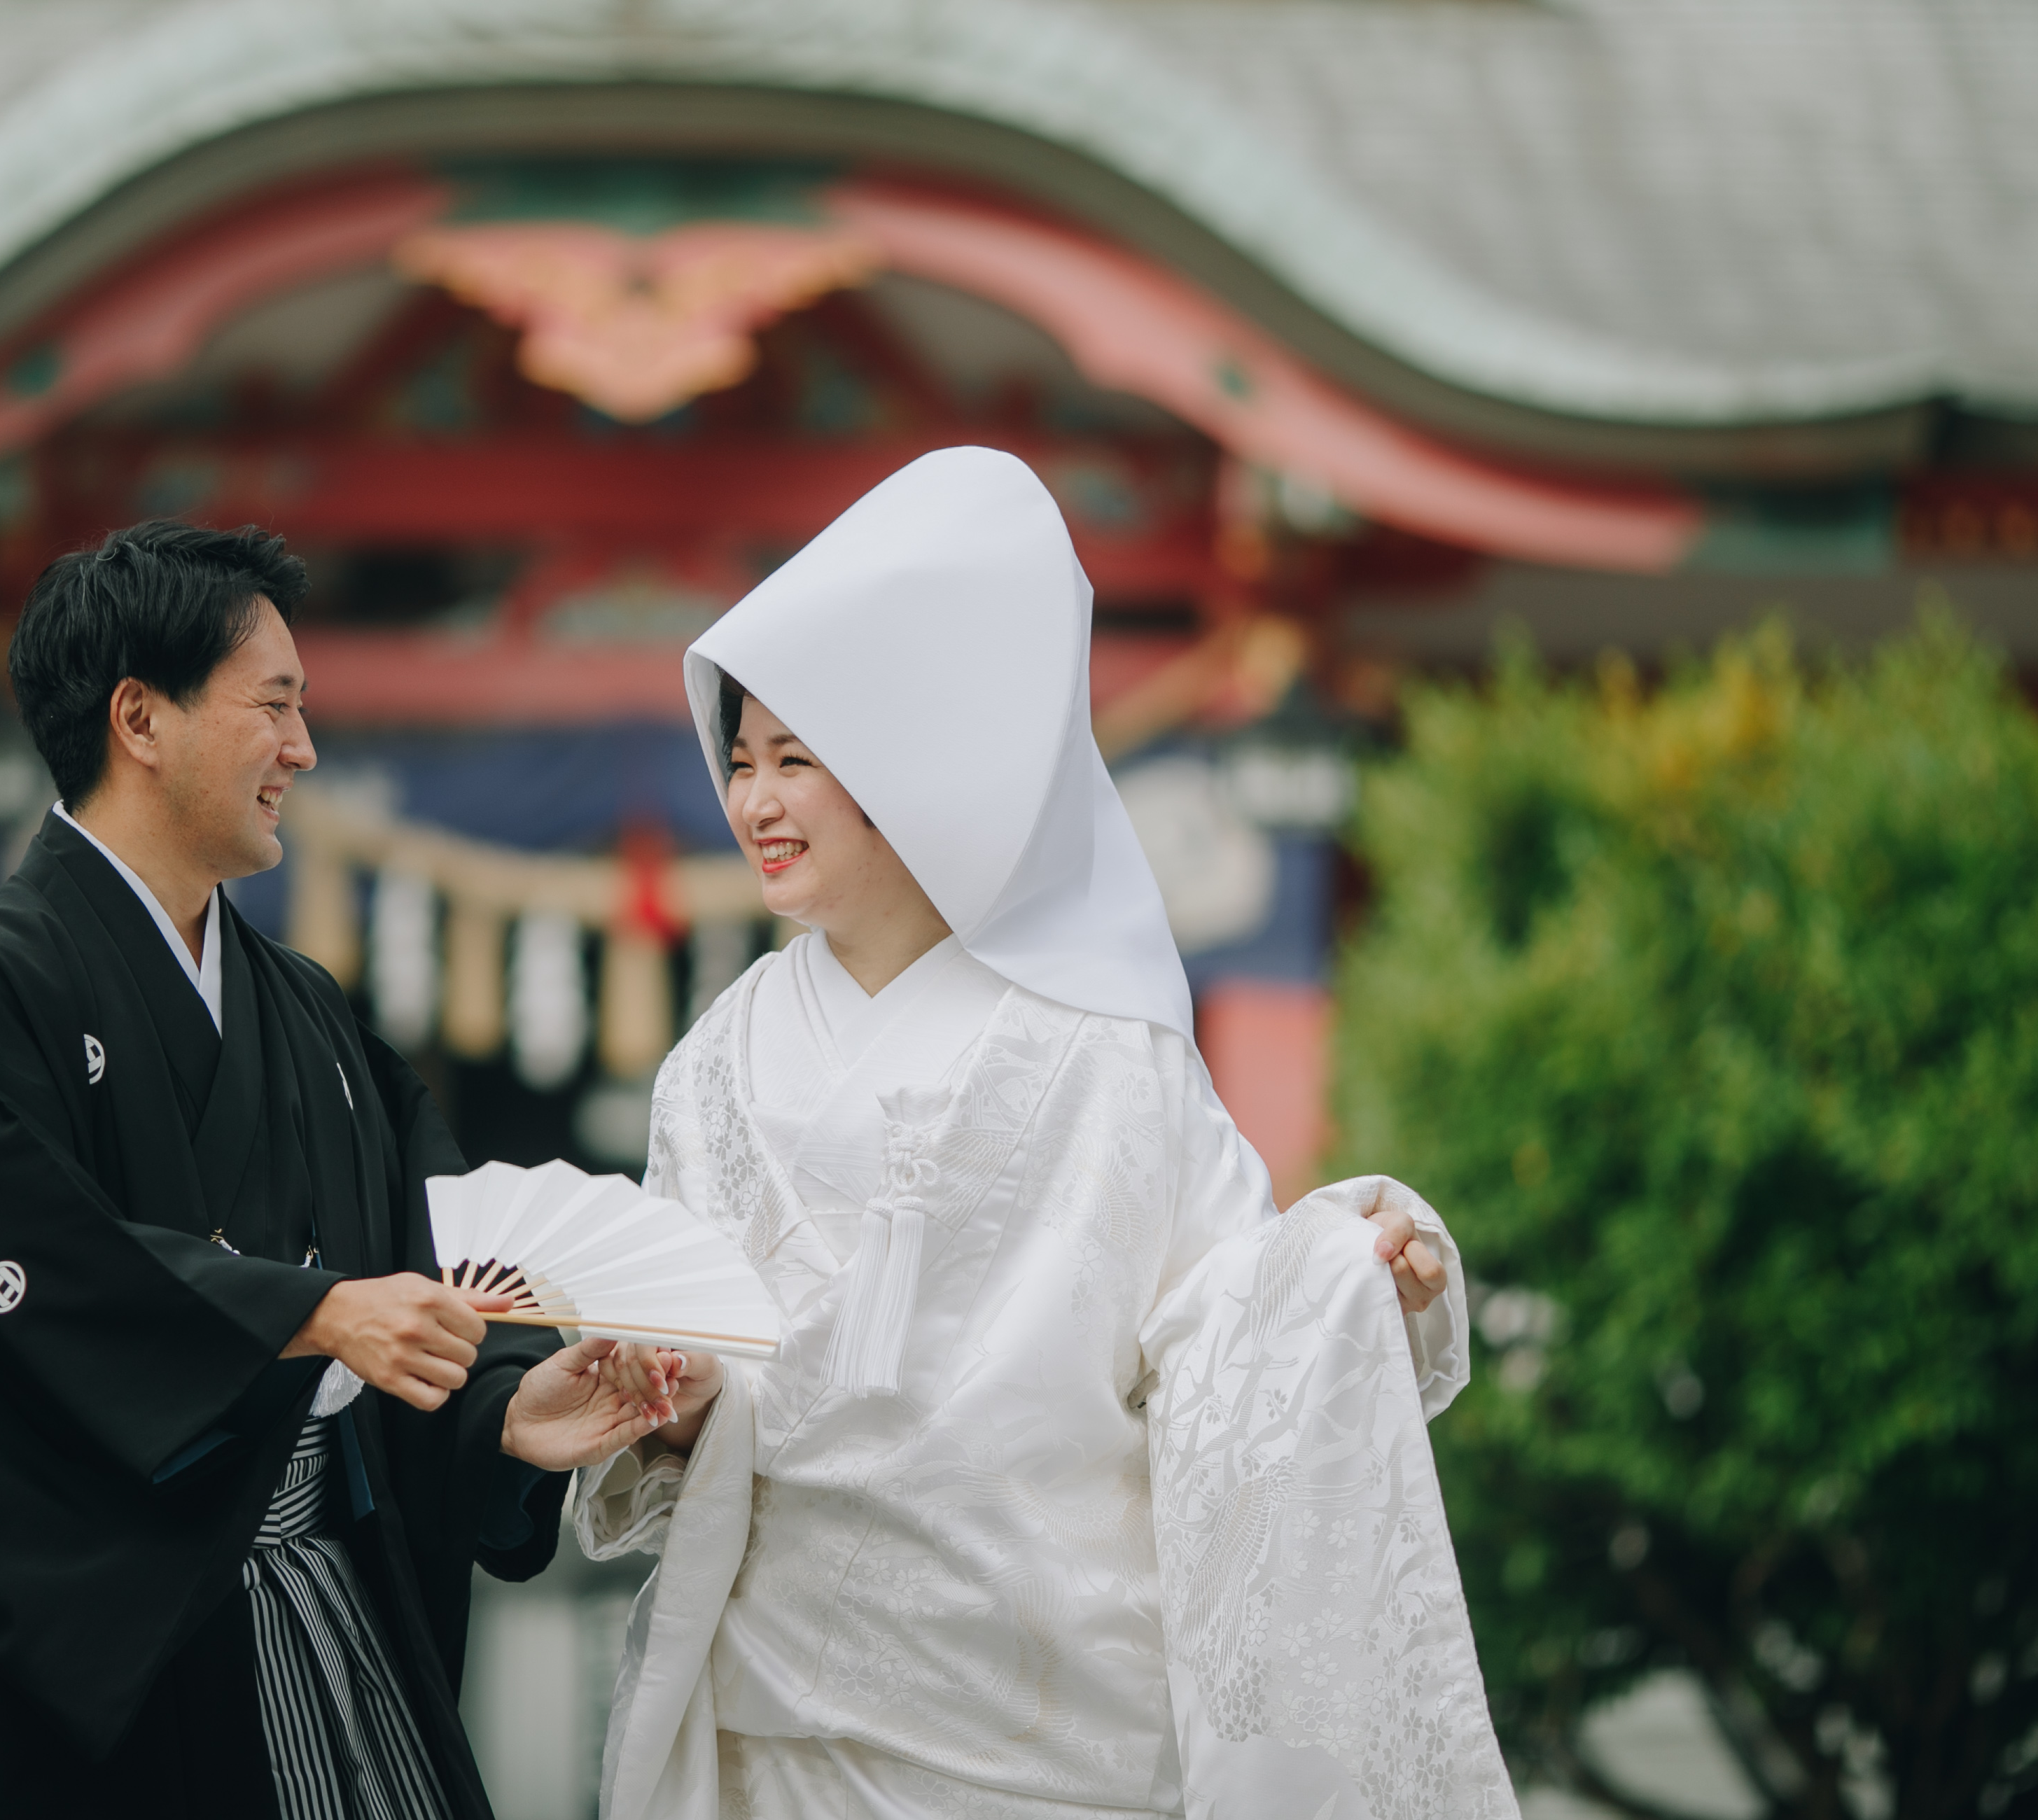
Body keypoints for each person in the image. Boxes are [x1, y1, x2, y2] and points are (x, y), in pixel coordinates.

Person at [577, 449, 1516, 1819]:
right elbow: (678, 1361)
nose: (753, 802)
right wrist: (668, 1400)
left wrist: (1340, 1273)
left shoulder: (1104, 1048)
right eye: (737, 760)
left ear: (911, 766)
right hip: (778, 1707)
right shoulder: (715, 1064)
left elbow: (1221, 1318)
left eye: (794, 759)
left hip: (1049, 1723)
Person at [0, 521, 658, 1820]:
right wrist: (314, 1312)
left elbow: (434, 1236)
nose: (305, 750)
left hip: (331, 1603)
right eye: (274, 706)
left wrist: (500, 1405)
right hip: (117, 1670)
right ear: (140, 718)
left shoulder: (308, 1016)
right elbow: (35, 1286)